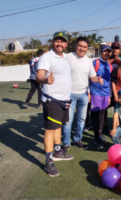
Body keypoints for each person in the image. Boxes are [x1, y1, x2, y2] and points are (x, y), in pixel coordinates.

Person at [36, 31, 74, 177]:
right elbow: (39, 75)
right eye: (57, 41)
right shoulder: (46, 57)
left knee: (58, 126)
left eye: (62, 41)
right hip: (52, 99)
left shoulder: (65, 58)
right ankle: (48, 161)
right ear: (53, 42)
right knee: (50, 130)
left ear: (66, 44)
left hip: (64, 100)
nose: (59, 44)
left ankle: (58, 152)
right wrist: (45, 80)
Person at [63, 37, 103, 150]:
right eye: (80, 46)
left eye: (85, 47)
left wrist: (98, 80)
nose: (82, 49)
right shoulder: (67, 57)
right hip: (69, 94)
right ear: (75, 45)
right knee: (68, 121)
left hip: (84, 95)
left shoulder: (88, 61)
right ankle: (66, 143)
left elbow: (92, 76)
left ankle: (77, 140)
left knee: (81, 120)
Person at [90, 45, 113, 148]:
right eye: (105, 51)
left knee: (102, 114)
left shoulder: (110, 65)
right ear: (101, 52)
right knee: (96, 116)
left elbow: (109, 82)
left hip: (105, 94)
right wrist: (88, 92)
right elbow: (89, 77)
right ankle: (96, 139)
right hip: (96, 92)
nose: (107, 53)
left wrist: (109, 96)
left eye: (109, 51)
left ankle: (100, 134)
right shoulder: (95, 63)